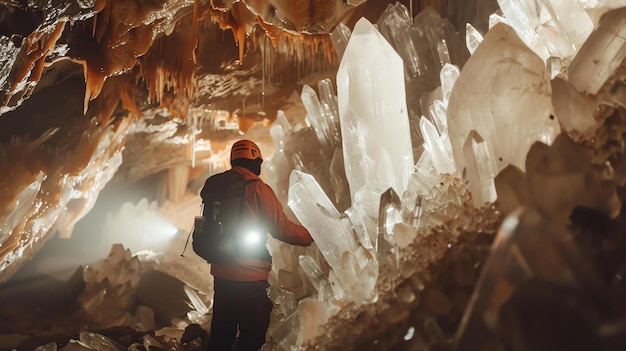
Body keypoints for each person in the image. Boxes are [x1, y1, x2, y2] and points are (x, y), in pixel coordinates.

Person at [200, 139, 313, 351]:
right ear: (255, 162)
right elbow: (281, 228)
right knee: (252, 337)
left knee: (221, 334)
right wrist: (311, 235)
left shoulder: (218, 185)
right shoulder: (258, 188)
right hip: (250, 275)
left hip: (222, 273)